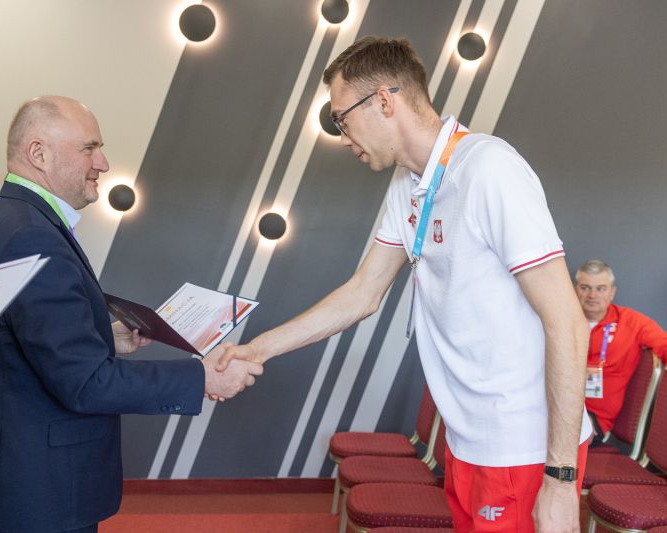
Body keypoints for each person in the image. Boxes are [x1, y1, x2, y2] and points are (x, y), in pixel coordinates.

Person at [218, 37, 592, 532]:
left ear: (384, 101)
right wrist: (258, 349)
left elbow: (567, 320)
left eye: (340, 119)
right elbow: (363, 292)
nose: (342, 136)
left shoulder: (488, 169)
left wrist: (561, 479)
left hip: (520, 445)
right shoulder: (409, 185)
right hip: (466, 439)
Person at [0, 96, 263, 533]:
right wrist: (201, 378)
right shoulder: (31, 235)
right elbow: (85, 383)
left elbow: (14, 342)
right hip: (37, 489)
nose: (103, 163)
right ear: (38, 153)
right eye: (89, 148)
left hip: (14, 473)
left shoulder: (1, 220)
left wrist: (103, 337)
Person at [574, 259, 667, 445]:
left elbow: (664, 345)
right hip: (556, 407)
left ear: (612, 292)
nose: (592, 295)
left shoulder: (631, 322)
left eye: (600, 288)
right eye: (585, 288)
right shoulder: (560, 320)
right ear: (575, 289)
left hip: (593, 419)